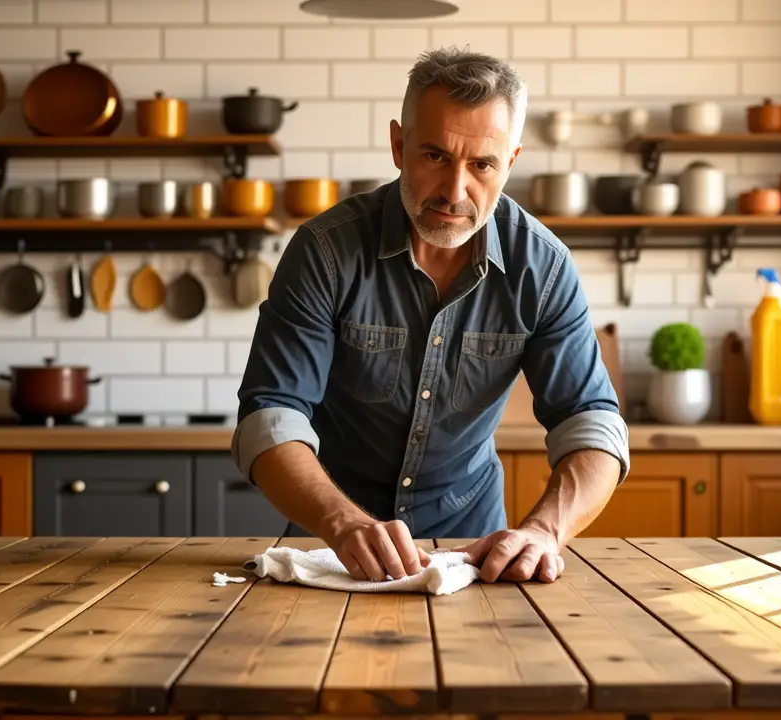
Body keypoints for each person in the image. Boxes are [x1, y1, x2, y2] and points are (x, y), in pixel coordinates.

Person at [231, 47, 629, 585]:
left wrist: (543, 531)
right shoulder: (324, 252)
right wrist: (343, 522)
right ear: (399, 146)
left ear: (510, 162)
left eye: (482, 165)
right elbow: (270, 415)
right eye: (435, 156)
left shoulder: (544, 266)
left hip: (475, 551)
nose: (455, 191)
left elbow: (592, 423)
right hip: (334, 540)